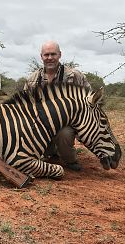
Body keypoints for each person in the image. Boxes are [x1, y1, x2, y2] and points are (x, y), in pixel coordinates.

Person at [24, 40, 91, 171]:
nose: (50, 58)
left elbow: (89, 101)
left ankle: (69, 160)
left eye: (53, 54)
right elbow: (25, 105)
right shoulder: (32, 79)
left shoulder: (74, 76)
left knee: (63, 134)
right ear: (41, 56)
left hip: (66, 123)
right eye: (46, 55)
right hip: (41, 124)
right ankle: (47, 152)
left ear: (60, 55)